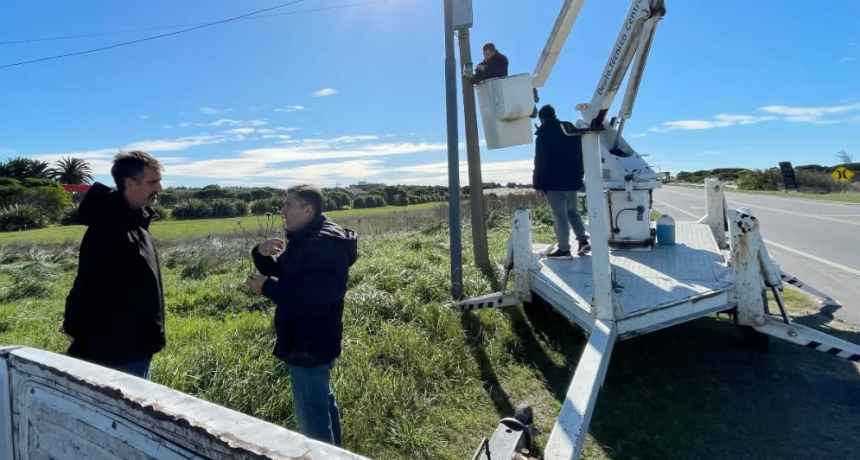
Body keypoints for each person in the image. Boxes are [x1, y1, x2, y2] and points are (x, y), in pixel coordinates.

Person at [245, 184, 358, 447]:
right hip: (308, 338)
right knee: (322, 402)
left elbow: (315, 300)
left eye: (288, 204)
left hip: (308, 342)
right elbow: (290, 276)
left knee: (312, 426)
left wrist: (267, 287)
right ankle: (335, 453)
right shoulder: (306, 238)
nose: (282, 210)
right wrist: (260, 255)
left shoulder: (324, 244)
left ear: (308, 210)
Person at [62, 150, 165, 379]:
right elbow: (88, 283)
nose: (159, 188)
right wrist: (74, 325)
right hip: (117, 350)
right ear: (129, 183)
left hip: (138, 343)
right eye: (152, 182)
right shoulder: (109, 227)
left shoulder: (135, 221)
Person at [533, 104, 591, 259]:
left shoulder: (543, 135)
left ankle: (564, 250)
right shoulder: (569, 129)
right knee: (573, 213)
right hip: (573, 180)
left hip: (554, 183)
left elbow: (540, 162)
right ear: (554, 115)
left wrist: (538, 185)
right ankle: (583, 241)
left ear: (541, 119)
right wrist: (580, 176)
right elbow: (580, 154)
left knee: (560, 217)